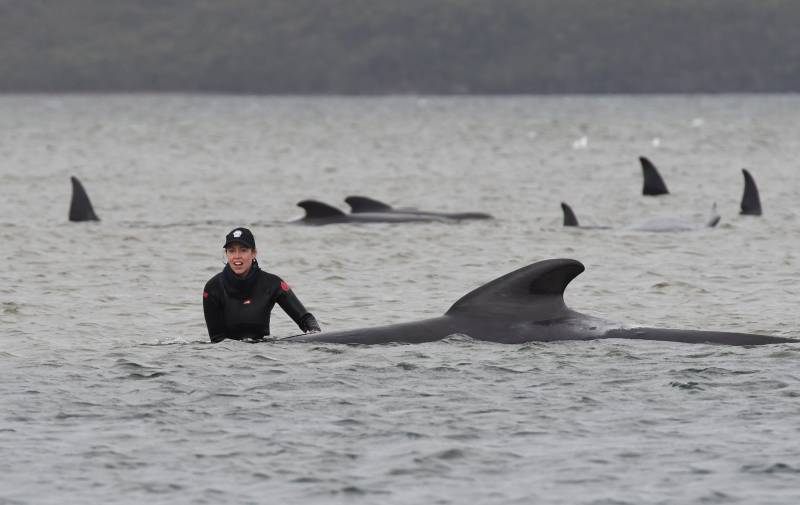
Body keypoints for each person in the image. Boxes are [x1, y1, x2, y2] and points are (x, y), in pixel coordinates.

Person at [203, 227, 321, 342]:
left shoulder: (272, 283)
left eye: (243, 250)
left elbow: (305, 319)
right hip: (228, 357)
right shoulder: (213, 288)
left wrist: (316, 336)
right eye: (231, 250)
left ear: (254, 253)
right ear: (226, 254)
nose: (237, 256)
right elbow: (216, 340)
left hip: (263, 355)